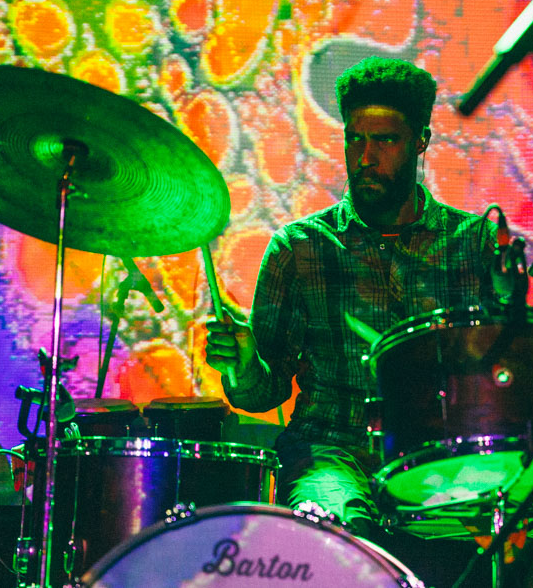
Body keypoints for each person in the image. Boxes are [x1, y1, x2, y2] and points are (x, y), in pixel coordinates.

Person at [205, 56, 499, 565]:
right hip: (329, 450)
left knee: (520, 540)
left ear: (421, 142)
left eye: (384, 141)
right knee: (339, 536)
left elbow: (502, 374)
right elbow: (263, 393)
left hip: (437, 456)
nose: (365, 156)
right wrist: (244, 362)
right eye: (355, 140)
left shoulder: (472, 242)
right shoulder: (299, 247)